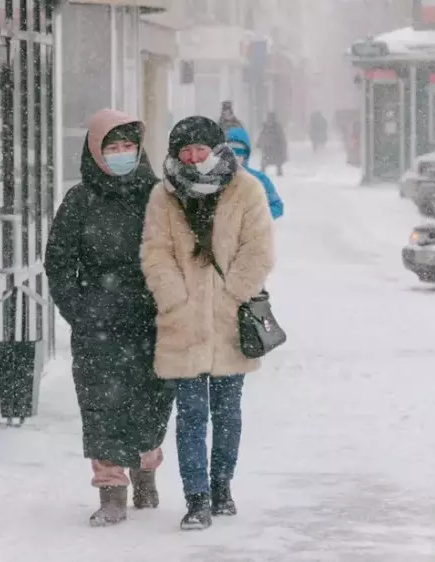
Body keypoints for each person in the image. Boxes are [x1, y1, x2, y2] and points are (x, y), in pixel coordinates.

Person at [140, 116, 274, 531]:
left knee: (228, 412)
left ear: (217, 149)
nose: (193, 157)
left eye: (200, 149)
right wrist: (174, 298)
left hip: (231, 319)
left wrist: (233, 293)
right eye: (185, 150)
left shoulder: (246, 189)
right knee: (192, 415)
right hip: (183, 322)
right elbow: (155, 251)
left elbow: (259, 249)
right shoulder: (164, 196)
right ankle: (196, 498)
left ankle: (222, 487)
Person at [44, 109, 174, 528]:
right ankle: (111, 489)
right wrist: (81, 311)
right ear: (96, 152)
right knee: (102, 406)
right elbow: (59, 262)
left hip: (154, 322)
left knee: (153, 403)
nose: (121, 154)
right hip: (99, 325)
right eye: (112, 148)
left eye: (128, 147)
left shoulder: (160, 197)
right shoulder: (80, 201)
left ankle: (145, 467)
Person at [226, 126, 284, 219]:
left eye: (240, 151)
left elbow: (277, 206)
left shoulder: (259, 179)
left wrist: (257, 217)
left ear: (246, 154)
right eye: (231, 151)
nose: (235, 157)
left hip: (253, 231)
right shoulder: (216, 179)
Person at [257, 111, 288, 176]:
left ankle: (278, 170)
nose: (270, 119)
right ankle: (263, 170)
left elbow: (281, 136)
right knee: (265, 160)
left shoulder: (277, 126)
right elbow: (262, 135)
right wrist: (259, 143)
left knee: (277, 160)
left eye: (271, 117)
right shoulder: (265, 126)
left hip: (275, 147)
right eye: (269, 117)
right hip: (267, 147)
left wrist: (282, 144)